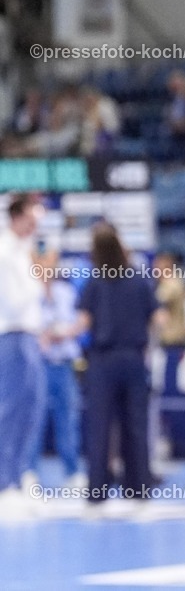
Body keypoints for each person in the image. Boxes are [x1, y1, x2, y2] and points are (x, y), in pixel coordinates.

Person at [75, 222, 160, 505]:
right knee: (136, 425)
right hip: (134, 359)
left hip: (102, 361)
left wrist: (56, 333)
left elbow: (83, 323)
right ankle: (138, 486)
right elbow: (157, 319)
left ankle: (97, 490)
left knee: (99, 426)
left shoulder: (96, 282)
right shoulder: (138, 280)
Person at [23, 250, 86, 489]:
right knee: (33, 420)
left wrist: (66, 332)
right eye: (42, 265)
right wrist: (43, 334)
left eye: (51, 264)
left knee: (68, 419)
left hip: (64, 364)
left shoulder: (66, 292)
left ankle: (72, 471)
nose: (47, 269)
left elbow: (79, 322)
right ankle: (29, 472)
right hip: (38, 364)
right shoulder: (28, 294)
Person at [0, 195, 46, 515]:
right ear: (17, 217)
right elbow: (16, 301)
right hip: (11, 334)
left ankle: (16, 477)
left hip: (28, 335)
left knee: (31, 409)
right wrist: (39, 278)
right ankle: (4, 483)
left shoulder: (20, 251)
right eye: (31, 219)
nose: (35, 226)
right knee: (10, 410)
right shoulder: (5, 251)